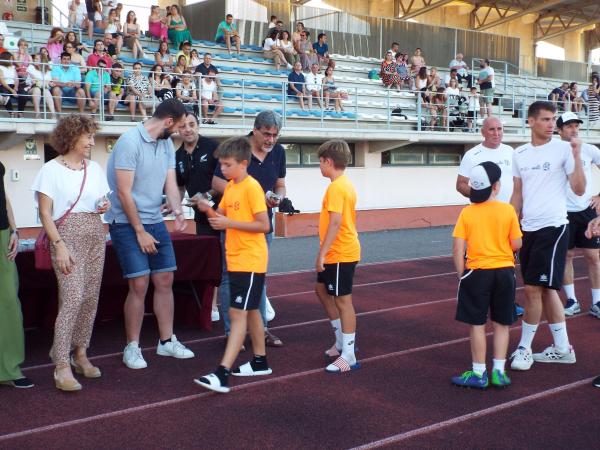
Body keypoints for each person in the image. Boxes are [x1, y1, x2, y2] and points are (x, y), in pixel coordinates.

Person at [105, 98, 194, 370]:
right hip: (125, 222)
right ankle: (132, 347)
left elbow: (170, 181)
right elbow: (123, 192)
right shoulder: (129, 143)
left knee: (165, 278)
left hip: (154, 220)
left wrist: (178, 210)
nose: (180, 131)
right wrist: (139, 231)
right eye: (179, 127)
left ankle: (166, 341)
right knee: (140, 284)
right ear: (168, 122)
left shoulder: (166, 143)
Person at [32, 115, 110, 391]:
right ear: (72, 137)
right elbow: (44, 212)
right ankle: (61, 365)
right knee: (73, 298)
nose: (91, 141)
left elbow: (103, 202)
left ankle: (80, 354)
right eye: (87, 136)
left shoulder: (95, 168)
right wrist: (59, 245)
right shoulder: (50, 170)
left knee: (89, 298)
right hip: (66, 236)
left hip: (95, 233)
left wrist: (104, 205)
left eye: (92, 136)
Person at [509, 101, 585, 371]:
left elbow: (578, 188)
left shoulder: (564, 149)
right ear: (530, 121)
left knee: (532, 289)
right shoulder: (520, 154)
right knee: (548, 289)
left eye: (553, 119)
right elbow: (517, 194)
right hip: (528, 228)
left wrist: (576, 156)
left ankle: (524, 348)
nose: (552, 124)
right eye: (545, 119)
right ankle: (563, 348)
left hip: (553, 227)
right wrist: (508, 225)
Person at [193, 136, 272, 393]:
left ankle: (222, 373)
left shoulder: (251, 187)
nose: (223, 170)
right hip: (236, 258)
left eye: (227, 165)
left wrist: (229, 224)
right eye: (222, 165)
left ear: (243, 163)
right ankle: (260, 361)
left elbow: (264, 225)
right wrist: (207, 209)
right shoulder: (232, 187)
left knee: (237, 314)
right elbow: (222, 215)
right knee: (250, 313)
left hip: (250, 259)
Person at [212, 111, 286, 349]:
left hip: (263, 224)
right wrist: (250, 196)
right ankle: (231, 332)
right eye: (267, 134)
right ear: (254, 130)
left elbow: (281, 184)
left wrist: (278, 198)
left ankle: (261, 330)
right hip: (235, 225)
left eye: (275, 135)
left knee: (259, 276)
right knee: (229, 277)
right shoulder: (237, 148)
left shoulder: (279, 152)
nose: (271, 140)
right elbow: (217, 182)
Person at [451, 161, 522, 389]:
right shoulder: (508, 210)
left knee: (477, 324)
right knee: (502, 322)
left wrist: (462, 274)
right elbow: (516, 243)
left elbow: (457, 248)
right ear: (497, 186)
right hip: (504, 272)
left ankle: (479, 372)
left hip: (477, 272)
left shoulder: (467, 213)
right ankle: (499, 372)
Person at [314, 140, 361, 373]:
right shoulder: (342, 185)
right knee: (321, 290)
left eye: (320, 162)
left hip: (341, 252)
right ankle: (341, 340)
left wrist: (321, 253)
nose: (319, 167)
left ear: (328, 161)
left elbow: (335, 222)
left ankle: (349, 354)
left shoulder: (337, 188)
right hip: (336, 251)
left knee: (343, 301)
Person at [554, 112, 600, 318]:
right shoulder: (553, 150)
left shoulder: (589, 149)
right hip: (562, 212)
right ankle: (572, 300)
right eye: (569, 126)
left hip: (586, 210)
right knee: (567, 256)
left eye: (576, 125)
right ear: (559, 130)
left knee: (593, 257)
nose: (574, 129)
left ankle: (597, 301)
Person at [175, 112, 221, 321]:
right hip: (201, 218)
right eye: (183, 126)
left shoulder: (213, 147)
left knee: (231, 261)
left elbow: (224, 180)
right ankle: (211, 305)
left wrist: (206, 196)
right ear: (178, 129)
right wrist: (175, 207)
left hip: (225, 213)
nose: (188, 129)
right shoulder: (178, 156)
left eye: (192, 124)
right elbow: (179, 187)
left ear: (198, 126)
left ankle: (259, 300)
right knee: (211, 262)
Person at [0, 162, 34, 389]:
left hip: (2, 234)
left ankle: (10, 369)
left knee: (9, 301)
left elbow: (3, 195)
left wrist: (14, 229)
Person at [456, 117, 515, 203]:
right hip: (482, 212)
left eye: (499, 129)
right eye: (491, 129)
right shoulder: (471, 155)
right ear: (483, 132)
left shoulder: (510, 151)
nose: (496, 133)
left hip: (509, 211)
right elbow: (460, 184)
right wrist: (480, 196)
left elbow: (517, 181)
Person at [20, 53, 56, 119]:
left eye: (37, 59)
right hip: (31, 88)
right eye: (34, 59)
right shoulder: (31, 67)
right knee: (37, 89)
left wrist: (44, 82)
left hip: (44, 88)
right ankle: (37, 114)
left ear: (42, 60)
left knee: (46, 91)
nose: (34, 60)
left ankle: (53, 114)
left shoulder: (47, 70)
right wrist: (45, 82)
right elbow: (34, 80)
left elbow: (48, 82)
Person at [0, 52, 18, 116]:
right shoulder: (1, 67)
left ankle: (20, 113)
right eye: (11, 59)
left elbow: (16, 79)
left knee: (23, 94)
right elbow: (2, 81)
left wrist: (15, 87)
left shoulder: (13, 67)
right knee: (6, 95)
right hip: (5, 85)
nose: (12, 60)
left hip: (13, 85)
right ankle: (11, 113)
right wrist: (12, 90)